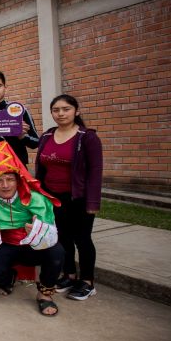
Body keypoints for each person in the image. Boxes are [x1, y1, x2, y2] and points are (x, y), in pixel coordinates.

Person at [0, 141, 64, 316]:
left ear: (18, 180)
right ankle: (8, 277)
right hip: (6, 246)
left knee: (57, 252)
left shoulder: (36, 199)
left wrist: (38, 232)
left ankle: (44, 294)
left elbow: (52, 233)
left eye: (10, 179)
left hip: (33, 248)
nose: (5, 185)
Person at [36, 94, 103, 301]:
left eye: (66, 109)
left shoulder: (87, 137)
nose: (61, 113)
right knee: (62, 238)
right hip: (53, 198)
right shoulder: (47, 136)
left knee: (82, 239)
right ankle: (69, 275)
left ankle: (87, 281)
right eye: (56, 110)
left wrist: (92, 203)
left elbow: (95, 172)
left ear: (76, 111)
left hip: (79, 198)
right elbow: (40, 168)